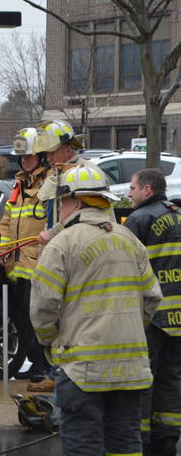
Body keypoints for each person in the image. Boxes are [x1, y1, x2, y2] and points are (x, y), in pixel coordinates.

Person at [30, 165, 162, 456]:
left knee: (83, 445)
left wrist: (52, 342)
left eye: (61, 202)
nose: (59, 209)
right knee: (126, 444)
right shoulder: (130, 240)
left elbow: (43, 307)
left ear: (76, 202)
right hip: (130, 371)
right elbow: (152, 297)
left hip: (82, 371)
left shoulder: (62, 244)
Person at [124, 168, 181, 456]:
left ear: (147, 189)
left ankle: (142, 439)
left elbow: (127, 268)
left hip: (151, 316)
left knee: (143, 379)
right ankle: (167, 439)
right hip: (178, 317)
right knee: (172, 379)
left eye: (133, 188)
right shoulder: (178, 215)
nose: (128, 193)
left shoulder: (139, 219)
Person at [0, 128, 52, 391]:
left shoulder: (50, 183)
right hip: (17, 264)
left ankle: (43, 368)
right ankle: (35, 364)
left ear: (42, 156)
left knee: (39, 319)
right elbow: (6, 221)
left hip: (39, 263)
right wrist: (5, 248)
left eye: (30, 156)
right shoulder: (19, 184)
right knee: (24, 320)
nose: (25, 161)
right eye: (22, 157)